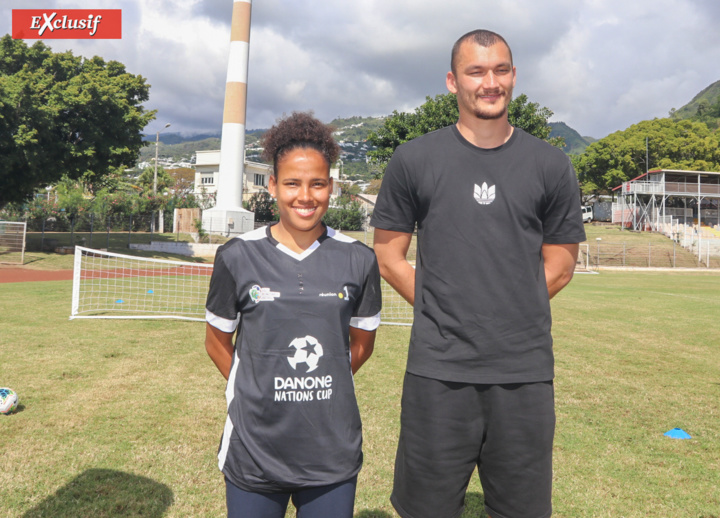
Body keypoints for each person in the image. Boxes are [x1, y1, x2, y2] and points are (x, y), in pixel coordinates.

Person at [371, 29, 586, 518]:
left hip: (524, 373)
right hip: (438, 370)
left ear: (513, 76)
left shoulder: (551, 165)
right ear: (453, 81)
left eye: (501, 70)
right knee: (425, 507)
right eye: (476, 71)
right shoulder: (414, 159)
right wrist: (441, 308)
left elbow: (562, 262)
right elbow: (388, 256)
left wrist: (511, 308)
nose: (490, 82)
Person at [204, 112, 381, 518]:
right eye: (292, 183)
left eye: (317, 184)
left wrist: (321, 382)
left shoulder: (358, 259)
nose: (306, 196)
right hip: (255, 448)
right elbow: (216, 342)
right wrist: (256, 387)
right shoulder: (236, 256)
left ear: (331, 187)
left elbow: (361, 345)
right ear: (272, 186)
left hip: (330, 450)